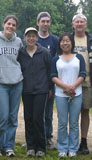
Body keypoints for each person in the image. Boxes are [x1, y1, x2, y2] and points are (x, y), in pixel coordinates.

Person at [0, 15, 23, 157]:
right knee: (2, 117)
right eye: (8, 24)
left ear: (16, 27)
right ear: (3, 24)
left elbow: (21, 60)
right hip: (1, 84)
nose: (11, 27)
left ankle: (9, 147)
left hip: (16, 83)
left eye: (14, 25)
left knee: (13, 118)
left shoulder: (19, 42)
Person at [17, 27, 51, 158]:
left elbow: (49, 71)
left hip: (41, 90)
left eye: (33, 36)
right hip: (26, 90)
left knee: (38, 118)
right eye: (28, 36)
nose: (31, 38)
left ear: (37, 38)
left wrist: (49, 89)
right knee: (28, 118)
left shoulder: (44, 52)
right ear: (25, 38)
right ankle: (30, 146)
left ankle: (41, 147)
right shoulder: (21, 53)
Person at [51, 33, 86, 158]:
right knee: (62, 122)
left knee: (74, 123)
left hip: (76, 94)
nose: (65, 43)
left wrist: (73, 86)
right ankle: (62, 147)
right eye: (63, 41)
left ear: (72, 43)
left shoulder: (79, 58)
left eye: (68, 41)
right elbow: (53, 76)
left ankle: (73, 148)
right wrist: (66, 87)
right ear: (59, 44)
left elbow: (82, 74)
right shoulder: (56, 59)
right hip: (61, 95)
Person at [71, 13, 92, 154]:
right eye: (77, 22)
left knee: (85, 111)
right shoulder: (68, 39)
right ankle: (71, 141)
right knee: (72, 113)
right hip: (71, 82)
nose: (79, 24)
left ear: (86, 24)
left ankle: (83, 141)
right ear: (73, 24)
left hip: (88, 82)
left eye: (82, 22)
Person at [36, 12, 59, 149]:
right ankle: (33, 137)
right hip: (34, 81)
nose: (45, 24)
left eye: (48, 21)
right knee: (34, 112)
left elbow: (58, 60)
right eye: (43, 21)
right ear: (38, 22)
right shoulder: (32, 38)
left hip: (49, 81)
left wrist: (52, 84)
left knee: (48, 112)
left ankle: (47, 137)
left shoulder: (54, 40)